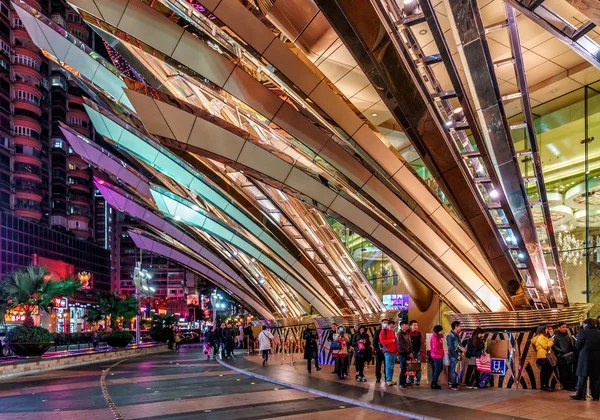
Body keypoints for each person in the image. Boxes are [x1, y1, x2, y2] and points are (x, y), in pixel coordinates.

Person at [571, 318, 600, 401]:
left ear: (586, 324)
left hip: (585, 358)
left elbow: (577, 345)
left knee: (582, 377)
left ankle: (580, 395)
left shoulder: (583, 332)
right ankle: (596, 396)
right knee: (595, 378)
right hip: (597, 358)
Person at [553, 322, 577, 391]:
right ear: (559, 327)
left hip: (568, 355)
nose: (565, 329)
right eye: (563, 327)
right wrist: (561, 351)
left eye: (565, 327)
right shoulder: (555, 336)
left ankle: (571, 385)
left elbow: (569, 344)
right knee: (563, 371)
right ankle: (566, 386)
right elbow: (553, 346)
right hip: (561, 357)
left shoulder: (566, 335)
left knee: (569, 371)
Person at [531, 324, 555, 392]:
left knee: (545, 371)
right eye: (546, 329)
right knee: (545, 372)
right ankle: (545, 385)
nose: (547, 330)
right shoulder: (540, 337)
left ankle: (544, 385)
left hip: (544, 356)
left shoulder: (543, 337)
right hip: (543, 356)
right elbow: (546, 346)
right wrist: (552, 341)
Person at [406, 320, 425, 386]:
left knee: (418, 367)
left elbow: (422, 343)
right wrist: (410, 352)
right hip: (410, 354)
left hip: (418, 353)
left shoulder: (419, 334)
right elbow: (407, 344)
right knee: (411, 367)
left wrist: (420, 351)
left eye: (416, 325)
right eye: (414, 325)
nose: (416, 327)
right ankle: (411, 380)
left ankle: (418, 380)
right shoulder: (408, 334)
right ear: (410, 326)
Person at [379, 320, 398, 386]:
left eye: (393, 326)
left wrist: (396, 350)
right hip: (387, 351)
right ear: (388, 325)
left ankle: (390, 379)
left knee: (392, 366)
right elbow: (382, 341)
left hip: (393, 351)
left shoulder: (393, 332)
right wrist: (391, 341)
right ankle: (388, 380)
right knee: (388, 366)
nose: (392, 327)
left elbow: (395, 341)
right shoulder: (383, 331)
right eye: (391, 326)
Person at [446, 320, 462, 391]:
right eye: (459, 326)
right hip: (453, 355)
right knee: (453, 369)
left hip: (458, 354)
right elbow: (450, 348)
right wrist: (456, 355)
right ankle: (453, 384)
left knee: (457, 369)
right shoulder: (450, 335)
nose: (460, 328)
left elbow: (458, 345)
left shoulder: (457, 335)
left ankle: (455, 382)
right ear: (456, 327)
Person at [396, 320, 412, 389]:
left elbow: (410, 344)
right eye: (403, 325)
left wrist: (411, 352)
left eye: (406, 325)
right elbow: (401, 345)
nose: (405, 326)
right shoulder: (400, 334)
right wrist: (408, 353)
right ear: (401, 326)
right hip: (402, 353)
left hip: (407, 353)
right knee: (403, 369)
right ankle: (401, 383)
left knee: (406, 369)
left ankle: (404, 382)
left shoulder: (407, 334)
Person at [373, 319, 388, 384]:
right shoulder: (377, 331)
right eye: (384, 322)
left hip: (386, 351)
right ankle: (378, 377)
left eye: (387, 323)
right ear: (381, 323)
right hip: (379, 351)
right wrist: (376, 349)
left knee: (386, 365)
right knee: (378, 365)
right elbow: (374, 341)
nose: (386, 324)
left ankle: (386, 377)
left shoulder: (388, 331)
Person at [430, 325, 444, 389]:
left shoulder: (438, 337)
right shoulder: (434, 338)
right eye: (441, 330)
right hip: (436, 356)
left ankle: (434, 381)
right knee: (437, 369)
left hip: (439, 355)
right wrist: (442, 352)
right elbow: (435, 349)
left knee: (440, 368)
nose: (442, 332)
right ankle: (434, 382)